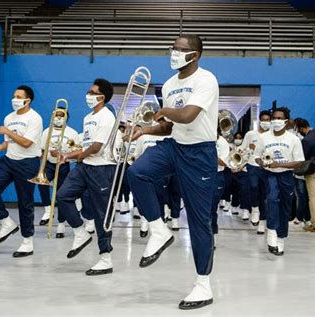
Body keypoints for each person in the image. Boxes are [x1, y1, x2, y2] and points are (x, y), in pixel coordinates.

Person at [127, 34, 218, 310]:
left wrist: (163, 110)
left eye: (181, 50)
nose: (175, 53)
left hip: (200, 153)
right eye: (173, 48)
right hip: (176, 146)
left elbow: (188, 115)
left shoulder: (206, 80)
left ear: (196, 54)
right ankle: (158, 230)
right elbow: (169, 126)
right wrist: (143, 130)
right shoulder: (168, 84)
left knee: (199, 219)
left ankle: (203, 284)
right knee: (137, 172)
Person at [56, 78, 116, 275]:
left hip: (102, 169)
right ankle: (80, 232)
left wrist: (77, 157)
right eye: (89, 92)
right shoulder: (88, 117)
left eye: (92, 92)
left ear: (101, 97)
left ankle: (106, 258)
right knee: (63, 195)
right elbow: (86, 144)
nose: (88, 95)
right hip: (85, 166)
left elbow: (97, 147)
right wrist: (67, 155)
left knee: (101, 214)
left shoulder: (107, 117)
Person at [0, 85, 42, 257]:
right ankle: (7, 222)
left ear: (27, 100)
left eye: (18, 97)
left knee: (25, 202)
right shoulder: (9, 117)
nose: (14, 99)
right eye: (14, 96)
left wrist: (7, 131)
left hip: (27, 163)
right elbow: (9, 142)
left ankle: (27, 242)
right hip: (9, 161)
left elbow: (26, 143)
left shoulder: (35, 118)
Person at [255, 107, 305, 256]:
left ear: (286, 121)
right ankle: (271, 233)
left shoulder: (293, 139)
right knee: (271, 200)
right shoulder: (264, 137)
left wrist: (280, 164)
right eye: (274, 118)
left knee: (285, 207)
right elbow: (257, 156)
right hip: (270, 175)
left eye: (279, 118)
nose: (276, 121)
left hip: (286, 176)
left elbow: (299, 162)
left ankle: (281, 238)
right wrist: (262, 163)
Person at [37, 109, 79, 239]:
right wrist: (43, 165)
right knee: (41, 182)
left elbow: (77, 152)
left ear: (67, 117)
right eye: (56, 116)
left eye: (62, 116)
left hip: (63, 166)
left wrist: (64, 156)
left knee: (61, 195)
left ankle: (61, 225)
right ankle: (48, 210)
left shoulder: (72, 133)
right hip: (49, 164)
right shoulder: (46, 131)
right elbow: (43, 151)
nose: (59, 118)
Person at [242, 110, 271, 231]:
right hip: (252, 165)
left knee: (264, 194)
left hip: (266, 167)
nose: (265, 122)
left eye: (267, 120)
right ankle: (254, 208)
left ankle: (262, 222)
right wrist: (249, 149)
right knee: (253, 187)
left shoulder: (271, 135)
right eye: (263, 120)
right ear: (259, 121)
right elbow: (242, 149)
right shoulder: (250, 134)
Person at [211, 130, 230, 245]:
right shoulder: (200, 139)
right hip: (199, 176)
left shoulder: (222, 142)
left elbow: (224, 162)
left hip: (216, 176)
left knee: (212, 208)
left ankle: (211, 235)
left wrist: (209, 155)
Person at [230, 131, 251, 220]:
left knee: (244, 189)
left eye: (240, 138)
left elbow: (249, 159)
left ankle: (245, 209)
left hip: (243, 171)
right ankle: (234, 205)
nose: (238, 139)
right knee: (234, 189)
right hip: (232, 171)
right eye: (236, 137)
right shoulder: (231, 147)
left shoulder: (247, 148)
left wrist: (242, 167)